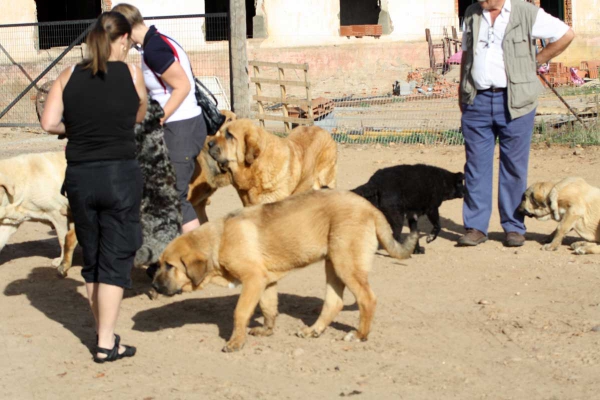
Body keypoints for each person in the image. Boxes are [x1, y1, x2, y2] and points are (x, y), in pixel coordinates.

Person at [41, 12, 147, 363]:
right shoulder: (132, 74)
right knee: (115, 260)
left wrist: (77, 127)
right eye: (129, 43)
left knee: (93, 259)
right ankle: (105, 343)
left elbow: (48, 122)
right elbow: (137, 115)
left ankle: (105, 336)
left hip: (81, 177)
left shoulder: (68, 74)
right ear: (121, 40)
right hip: (119, 175)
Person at [457, 0, 574, 247]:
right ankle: (476, 227)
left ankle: (513, 226)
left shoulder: (526, 12)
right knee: (476, 167)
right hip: (477, 100)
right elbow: (467, 53)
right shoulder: (472, 13)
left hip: (516, 101)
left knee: (513, 167)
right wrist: (462, 92)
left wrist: (536, 61)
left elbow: (565, 34)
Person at [112, 3, 207, 234]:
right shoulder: (156, 42)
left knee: (175, 195)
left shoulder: (154, 49)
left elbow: (182, 86)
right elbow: (163, 88)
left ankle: (198, 255)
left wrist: (160, 118)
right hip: (181, 124)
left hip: (181, 127)